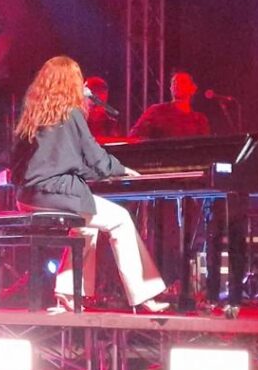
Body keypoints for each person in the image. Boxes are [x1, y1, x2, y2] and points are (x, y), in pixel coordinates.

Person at [11, 56, 169, 312]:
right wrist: (120, 169)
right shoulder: (71, 113)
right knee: (120, 219)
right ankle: (143, 295)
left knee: (86, 227)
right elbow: (94, 154)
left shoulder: (34, 112)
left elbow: (52, 160)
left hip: (28, 197)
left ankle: (67, 294)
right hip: (55, 194)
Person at [130, 71, 210, 139]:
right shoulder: (157, 111)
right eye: (174, 82)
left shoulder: (199, 120)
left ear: (193, 89)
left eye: (182, 82)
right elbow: (135, 135)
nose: (176, 85)